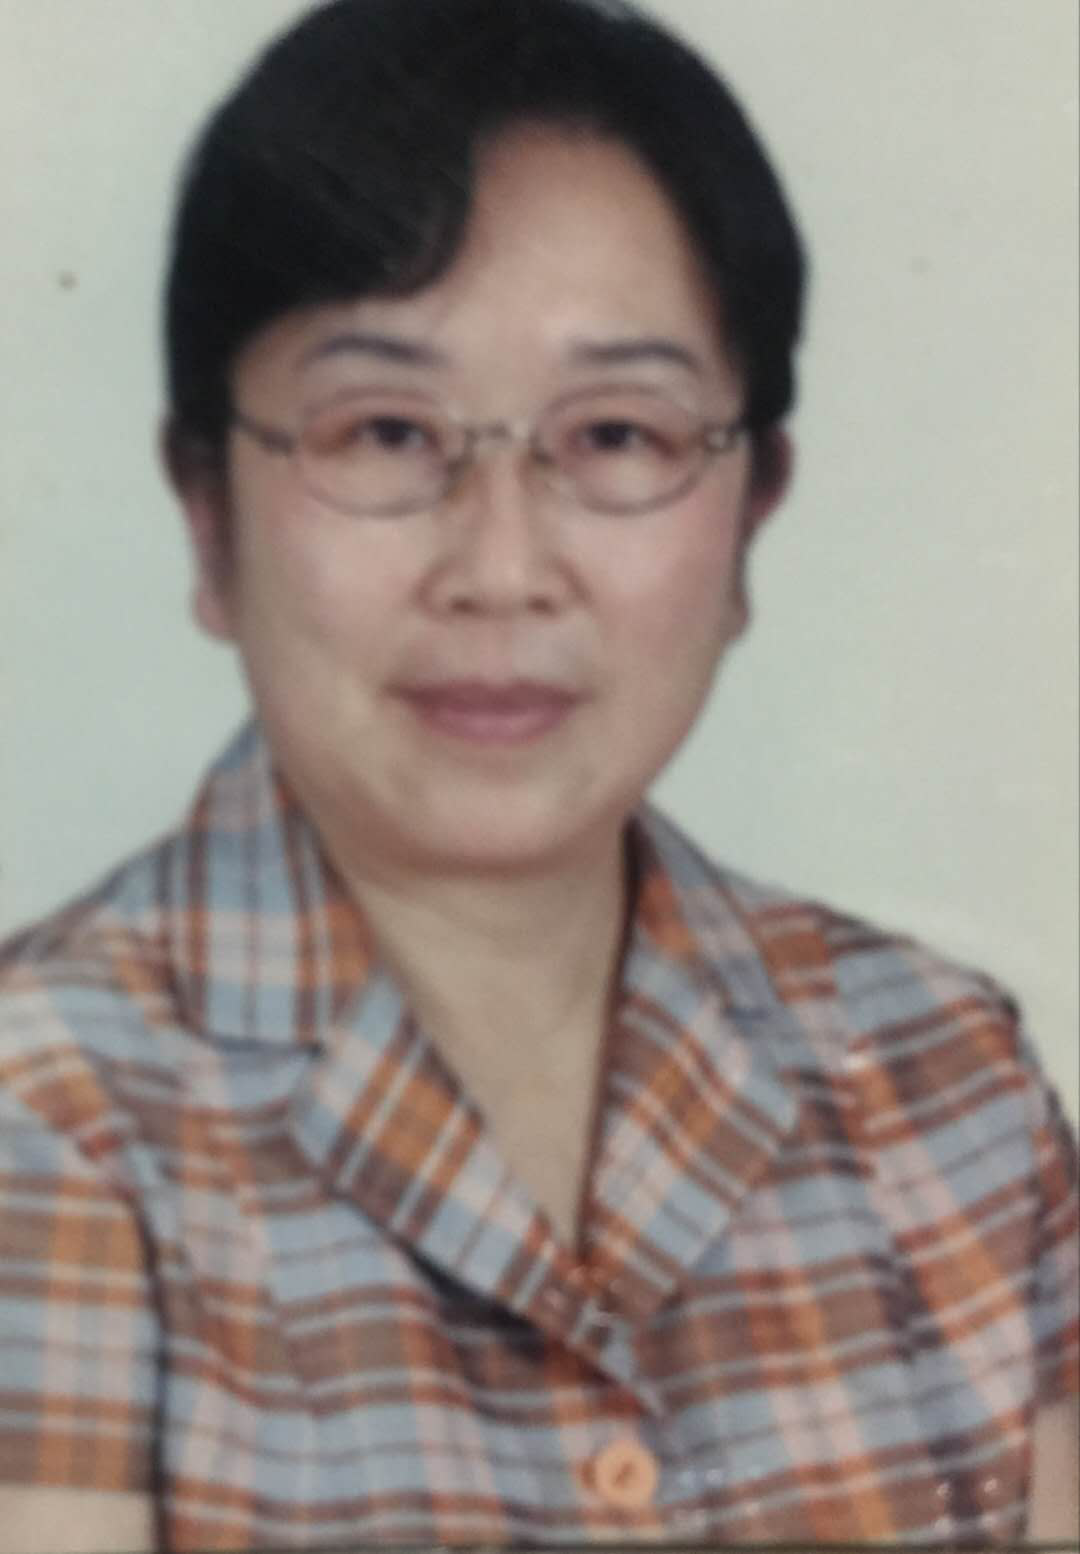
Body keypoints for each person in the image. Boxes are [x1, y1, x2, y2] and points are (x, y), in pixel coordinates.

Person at [0, 0, 1076, 1548]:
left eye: (617, 435)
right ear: (208, 514)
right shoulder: (45, 1122)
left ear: (752, 514)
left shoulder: (949, 1087)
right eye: (383, 429)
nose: (502, 568)